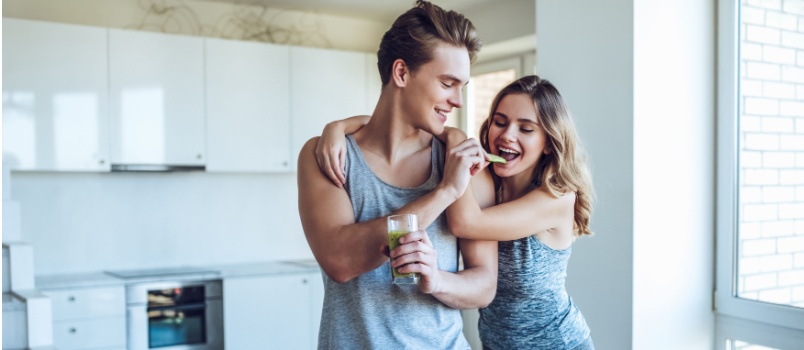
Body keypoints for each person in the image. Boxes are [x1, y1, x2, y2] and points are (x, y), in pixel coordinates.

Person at [316, 75, 596, 349]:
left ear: (548, 142)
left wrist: (456, 136)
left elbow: (465, 223)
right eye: (500, 122)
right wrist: (338, 127)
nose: (507, 135)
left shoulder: (557, 197)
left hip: (559, 344)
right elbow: (396, 122)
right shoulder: (486, 181)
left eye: (526, 129)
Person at [296, 1, 498, 349]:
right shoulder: (328, 155)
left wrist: (437, 280)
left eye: (462, 86)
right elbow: (340, 261)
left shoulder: (462, 160)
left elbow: (484, 285)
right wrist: (445, 192)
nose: (458, 101)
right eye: (448, 83)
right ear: (401, 73)